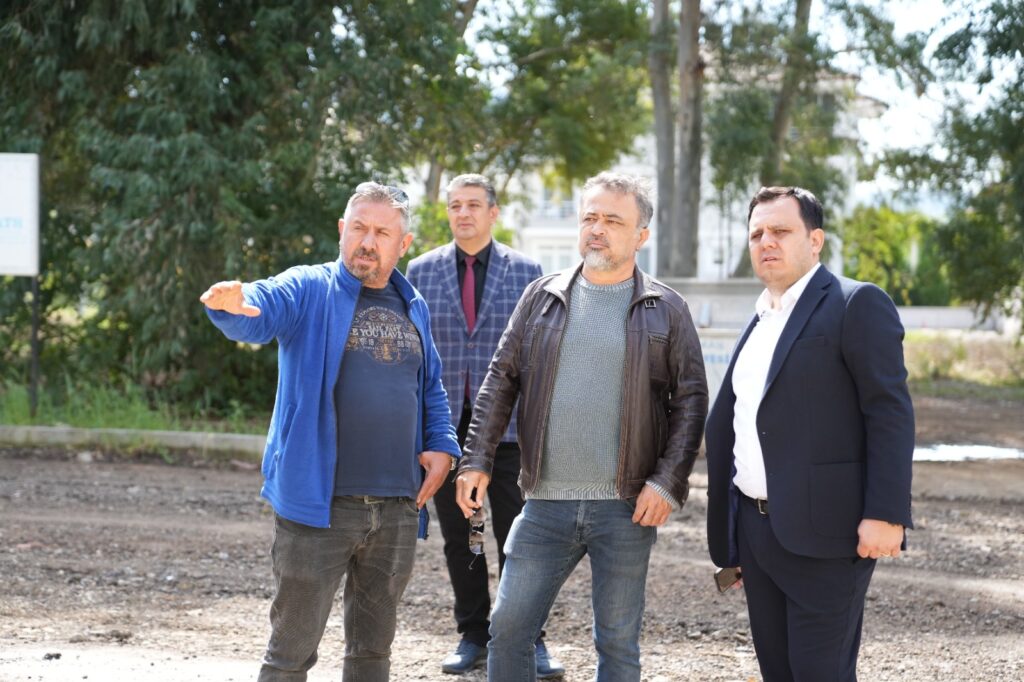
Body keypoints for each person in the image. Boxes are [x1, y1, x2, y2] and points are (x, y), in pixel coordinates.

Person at [200, 181, 461, 682]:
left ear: (403, 244)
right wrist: (234, 303)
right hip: (319, 508)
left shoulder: (413, 303)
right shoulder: (309, 287)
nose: (368, 241)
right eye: (359, 228)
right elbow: (262, 307)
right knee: (290, 655)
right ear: (342, 230)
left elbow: (430, 385)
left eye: (382, 233)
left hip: (397, 506)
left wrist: (441, 444)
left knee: (372, 655)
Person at [455, 172, 709, 682]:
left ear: (641, 235)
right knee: (509, 628)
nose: (597, 229)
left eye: (613, 220)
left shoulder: (667, 310)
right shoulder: (540, 297)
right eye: (590, 217)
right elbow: (500, 380)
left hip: (626, 507)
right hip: (544, 502)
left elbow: (691, 402)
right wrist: (477, 457)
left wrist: (667, 482)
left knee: (616, 642)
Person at [705, 186, 915, 682]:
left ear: (815, 240)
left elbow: (889, 412)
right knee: (777, 672)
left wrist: (886, 513)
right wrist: (733, 535)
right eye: (757, 233)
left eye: (781, 231)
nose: (766, 242)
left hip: (828, 534)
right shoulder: (761, 317)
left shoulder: (855, 302)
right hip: (757, 533)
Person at [406, 174, 563, 677]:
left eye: (473, 204)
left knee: (521, 537)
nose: (463, 213)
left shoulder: (528, 271)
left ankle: (529, 638)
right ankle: (473, 634)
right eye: (455, 205)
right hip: (447, 430)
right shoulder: (421, 270)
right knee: (465, 537)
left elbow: (541, 350)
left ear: (493, 212)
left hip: (511, 430)